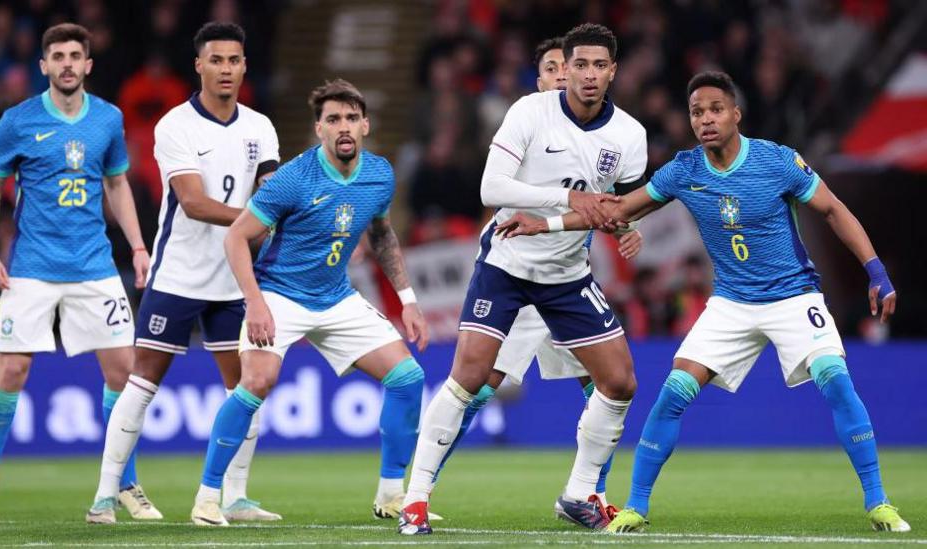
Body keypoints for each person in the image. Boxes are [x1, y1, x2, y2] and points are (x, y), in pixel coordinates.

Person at [497, 70, 910, 534]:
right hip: (731, 303)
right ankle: (635, 506)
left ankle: (878, 501)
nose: (705, 120)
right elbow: (619, 210)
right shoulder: (684, 171)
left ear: (736, 114)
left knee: (835, 381)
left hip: (793, 297)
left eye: (715, 110)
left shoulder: (777, 161)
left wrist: (876, 271)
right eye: (696, 112)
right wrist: (545, 224)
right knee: (673, 392)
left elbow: (833, 209)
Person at [398, 23, 648, 535]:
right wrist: (567, 198)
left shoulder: (630, 135)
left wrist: (625, 227)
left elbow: (618, 205)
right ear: (566, 69)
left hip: (567, 274)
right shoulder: (529, 113)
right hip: (507, 265)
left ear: (613, 71)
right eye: (580, 65)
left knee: (619, 381)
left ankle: (581, 493)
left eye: (600, 65)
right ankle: (415, 498)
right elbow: (492, 187)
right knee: (470, 378)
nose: (589, 75)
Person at [188, 79, 430, 527]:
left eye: (352, 118)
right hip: (279, 294)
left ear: (366, 125)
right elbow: (237, 237)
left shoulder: (379, 175)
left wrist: (408, 300)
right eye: (333, 119)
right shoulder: (294, 179)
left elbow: (381, 235)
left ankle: (391, 494)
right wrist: (255, 303)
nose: (344, 127)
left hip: (335, 297)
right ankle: (207, 497)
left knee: (407, 378)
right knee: (256, 381)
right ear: (319, 129)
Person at [86, 22, 281, 524]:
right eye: (216, 60)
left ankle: (235, 497)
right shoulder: (175, 125)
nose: (225, 69)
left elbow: (271, 192)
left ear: (244, 66)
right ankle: (105, 495)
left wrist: (281, 214)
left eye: (233, 60)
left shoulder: (261, 127)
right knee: (143, 382)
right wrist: (256, 220)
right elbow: (193, 203)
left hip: (234, 278)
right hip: (178, 275)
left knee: (245, 388)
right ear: (199, 66)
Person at [0, 23, 154, 523]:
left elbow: (117, 184)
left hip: (94, 264)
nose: (67, 64)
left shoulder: (108, 118)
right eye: (58, 56)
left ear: (88, 65)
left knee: (124, 372)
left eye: (75, 56)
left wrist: (138, 246)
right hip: (32, 266)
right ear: (44, 65)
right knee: (11, 371)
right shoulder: (18, 121)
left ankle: (125, 483)